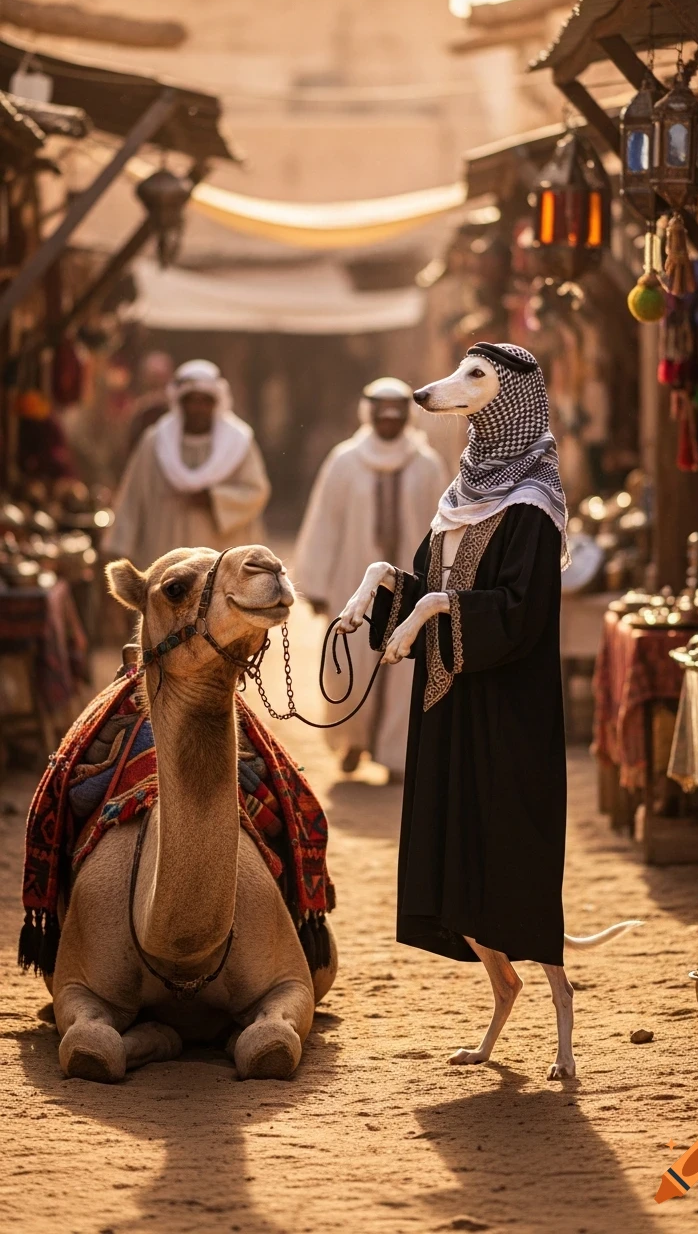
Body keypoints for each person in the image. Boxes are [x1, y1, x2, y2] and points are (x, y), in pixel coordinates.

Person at [338, 343, 571, 1066]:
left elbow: (519, 612)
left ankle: (562, 1021)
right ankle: (500, 995)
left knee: (510, 856)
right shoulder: (461, 492)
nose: (447, 388)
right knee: (454, 852)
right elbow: (425, 585)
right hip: (450, 708)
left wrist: (433, 609)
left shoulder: (533, 504)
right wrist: (376, 590)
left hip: (507, 712)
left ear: (511, 398)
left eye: (477, 379)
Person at [293, 376, 445, 783]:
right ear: (370, 414)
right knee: (351, 662)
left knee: (404, 669)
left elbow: (442, 527)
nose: (389, 420)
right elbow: (324, 523)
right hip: (353, 581)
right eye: (383, 413)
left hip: (412, 584)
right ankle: (353, 741)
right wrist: (317, 584)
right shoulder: (345, 461)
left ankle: (396, 754)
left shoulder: (427, 464)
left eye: (397, 414)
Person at [106, 359, 271, 570]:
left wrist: (214, 500)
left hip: (221, 553)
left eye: (205, 401)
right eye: (191, 401)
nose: (198, 408)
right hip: (163, 551)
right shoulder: (155, 442)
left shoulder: (238, 442)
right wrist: (117, 550)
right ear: (180, 403)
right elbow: (132, 497)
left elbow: (256, 492)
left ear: (216, 403)